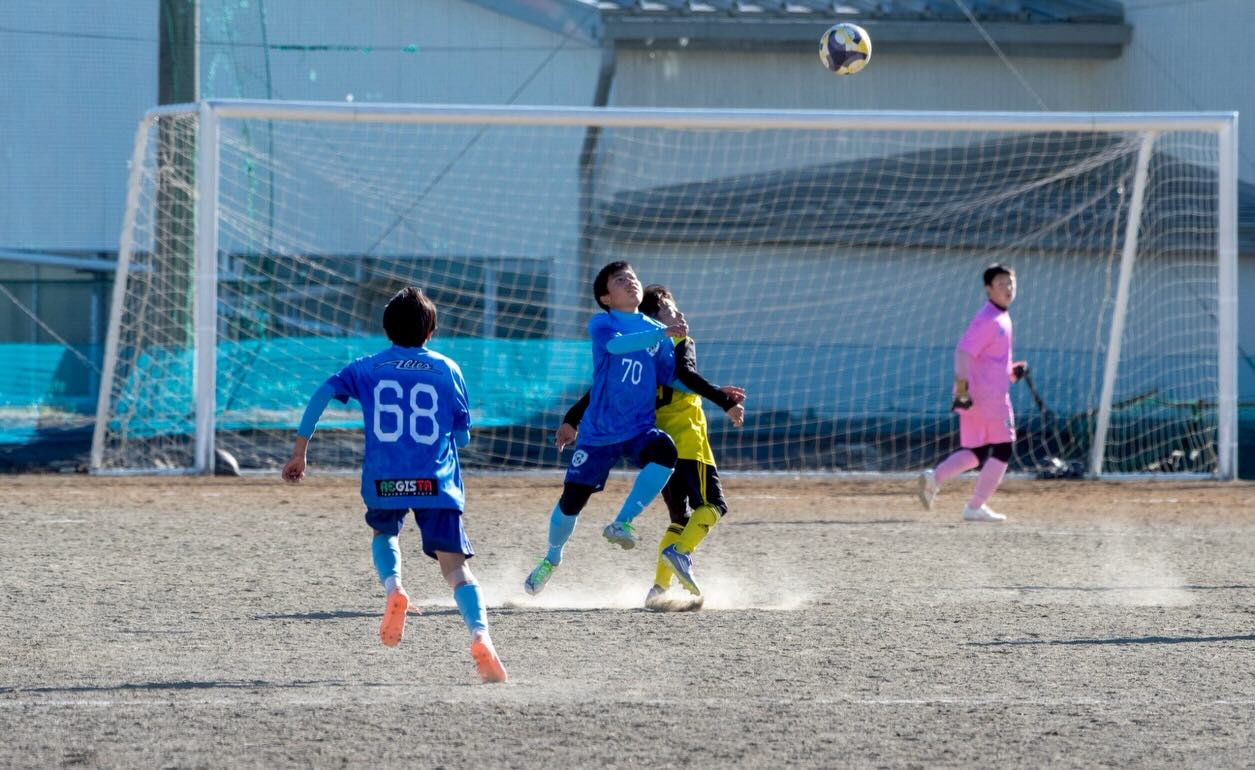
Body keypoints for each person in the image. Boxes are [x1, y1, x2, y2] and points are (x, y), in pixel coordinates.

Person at [282, 287, 507, 684]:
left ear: (386, 329)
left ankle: (395, 587)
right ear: (431, 330)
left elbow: (321, 394)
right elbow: (464, 437)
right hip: (435, 480)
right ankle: (480, 636)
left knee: (383, 532)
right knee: (456, 570)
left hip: (385, 476)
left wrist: (301, 450)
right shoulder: (447, 368)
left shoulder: (367, 367)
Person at [556, 285, 745, 609]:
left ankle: (659, 589)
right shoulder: (678, 341)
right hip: (687, 441)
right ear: (655, 319)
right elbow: (686, 374)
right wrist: (723, 400)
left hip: (658, 447)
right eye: (671, 310)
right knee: (714, 505)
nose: (680, 315)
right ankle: (680, 553)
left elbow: (602, 389)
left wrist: (572, 419)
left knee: (679, 518)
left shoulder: (639, 351)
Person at [523, 263, 685, 596]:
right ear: (606, 297)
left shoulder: (658, 332)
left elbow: (674, 378)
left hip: (639, 427)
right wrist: (573, 419)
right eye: (620, 280)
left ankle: (622, 522)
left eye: (633, 278)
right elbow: (615, 349)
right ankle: (552, 558)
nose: (631, 282)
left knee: (665, 451)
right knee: (572, 501)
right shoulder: (603, 324)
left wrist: (719, 394)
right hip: (599, 432)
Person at [917, 264, 1027, 522]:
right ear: (988, 289)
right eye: (1001, 284)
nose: (1008, 288)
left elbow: (986, 361)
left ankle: (933, 479)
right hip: (989, 399)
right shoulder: (989, 319)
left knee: (976, 453)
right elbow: (963, 352)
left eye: (1011, 283)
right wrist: (962, 391)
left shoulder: (999, 316)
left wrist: (1011, 372)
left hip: (980, 397)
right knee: (1003, 450)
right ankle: (975, 506)